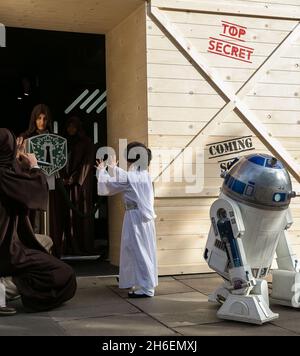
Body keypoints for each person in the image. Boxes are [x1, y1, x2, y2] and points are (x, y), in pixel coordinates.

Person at [0, 128, 77, 312]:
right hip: (6, 249)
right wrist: (34, 165)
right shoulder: (3, 176)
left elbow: (16, 182)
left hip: (7, 243)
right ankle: (3, 288)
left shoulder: (5, 173)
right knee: (64, 275)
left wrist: (17, 161)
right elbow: (36, 193)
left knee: (45, 242)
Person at [96, 142, 158, 298]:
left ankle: (146, 288)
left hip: (135, 217)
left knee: (138, 250)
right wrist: (113, 167)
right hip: (142, 218)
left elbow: (108, 186)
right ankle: (139, 281)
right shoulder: (144, 174)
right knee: (137, 248)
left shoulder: (132, 177)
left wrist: (102, 170)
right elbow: (125, 178)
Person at [17, 104, 64, 257]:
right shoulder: (25, 138)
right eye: (39, 118)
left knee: (51, 218)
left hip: (50, 183)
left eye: (45, 118)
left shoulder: (56, 139)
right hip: (32, 184)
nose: (42, 122)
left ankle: (51, 251)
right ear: (34, 120)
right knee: (33, 218)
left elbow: (60, 162)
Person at [60, 116, 95, 255]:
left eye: (73, 126)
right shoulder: (66, 142)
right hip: (67, 184)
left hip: (80, 186)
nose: (71, 129)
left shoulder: (86, 142)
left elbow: (86, 163)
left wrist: (74, 179)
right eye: (69, 126)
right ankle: (70, 245)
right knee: (69, 215)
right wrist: (64, 178)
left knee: (81, 211)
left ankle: (83, 246)